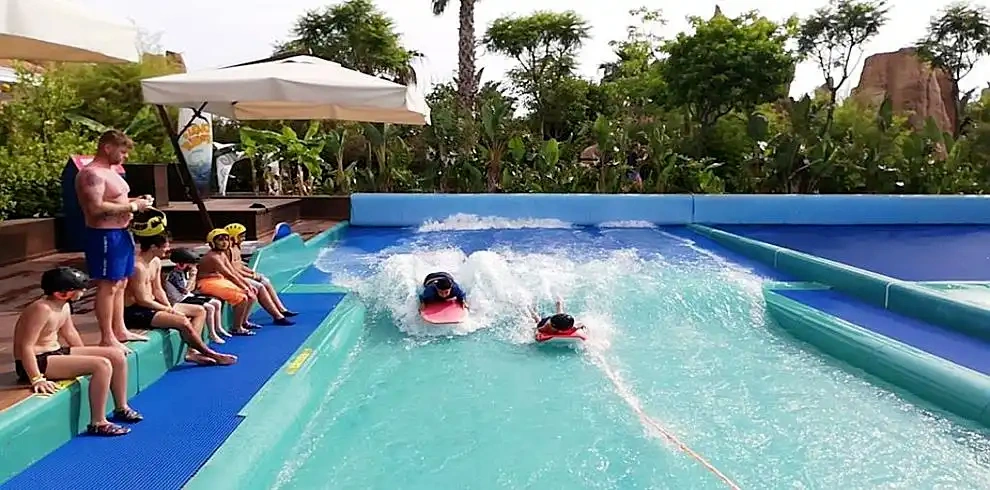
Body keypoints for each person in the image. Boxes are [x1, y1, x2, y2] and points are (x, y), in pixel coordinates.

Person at [13, 266, 143, 436]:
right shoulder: (42, 309)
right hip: (36, 362)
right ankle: (98, 422)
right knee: (102, 365)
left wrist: (84, 356)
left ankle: (121, 407)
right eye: (78, 289)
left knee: (116, 355)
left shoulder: (63, 305)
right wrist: (37, 379)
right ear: (61, 293)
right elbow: (26, 346)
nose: (83, 292)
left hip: (54, 353)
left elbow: (70, 333)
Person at [75, 129, 153, 353]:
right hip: (104, 234)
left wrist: (138, 201)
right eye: (122, 151)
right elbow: (96, 207)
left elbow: (116, 199)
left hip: (121, 233)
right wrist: (132, 206)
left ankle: (120, 329)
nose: (125, 156)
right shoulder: (91, 174)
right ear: (107, 148)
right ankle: (107, 337)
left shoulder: (110, 171)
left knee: (121, 282)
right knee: (108, 285)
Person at [124, 231, 237, 366]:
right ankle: (211, 353)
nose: (167, 250)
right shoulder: (138, 267)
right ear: (153, 247)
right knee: (182, 321)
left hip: (153, 305)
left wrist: (168, 306)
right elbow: (142, 299)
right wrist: (168, 310)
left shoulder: (155, 261)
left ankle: (192, 352)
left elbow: (158, 289)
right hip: (135, 311)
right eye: (165, 247)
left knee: (200, 311)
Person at [223, 223, 297, 325]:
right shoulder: (227, 251)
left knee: (266, 281)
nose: (243, 238)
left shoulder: (236, 247)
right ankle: (277, 316)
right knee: (260, 287)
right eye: (241, 236)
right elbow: (234, 271)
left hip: (240, 276)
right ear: (233, 237)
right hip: (233, 279)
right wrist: (252, 276)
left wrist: (253, 273)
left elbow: (239, 266)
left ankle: (281, 309)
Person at [196, 229, 263, 334]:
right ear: (212, 242)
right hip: (206, 282)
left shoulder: (222, 254)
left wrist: (247, 285)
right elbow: (229, 275)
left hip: (219, 280)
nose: (224, 242)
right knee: (242, 297)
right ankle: (237, 328)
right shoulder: (213, 257)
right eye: (220, 240)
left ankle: (244, 322)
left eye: (226, 239)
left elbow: (233, 272)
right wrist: (244, 288)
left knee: (252, 295)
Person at [164, 248, 231, 344]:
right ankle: (212, 334)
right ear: (181, 264)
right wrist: (193, 276)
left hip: (187, 297)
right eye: (190, 264)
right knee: (210, 307)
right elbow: (185, 290)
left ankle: (218, 327)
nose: (192, 267)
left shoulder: (183, 273)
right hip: (179, 300)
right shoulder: (174, 275)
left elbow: (191, 289)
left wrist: (192, 278)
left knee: (217, 303)